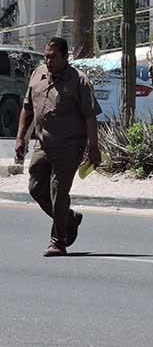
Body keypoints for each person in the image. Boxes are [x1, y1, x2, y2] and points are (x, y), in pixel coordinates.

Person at [15, 37, 102, 257]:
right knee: (36, 188)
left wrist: (94, 147)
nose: (48, 61)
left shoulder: (78, 80)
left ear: (66, 57)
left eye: (53, 57)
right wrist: (20, 137)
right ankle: (69, 219)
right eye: (46, 56)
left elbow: (90, 116)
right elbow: (27, 108)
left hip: (69, 146)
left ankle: (58, 241)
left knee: (58, 191)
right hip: (43, 144)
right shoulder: (38, 75)